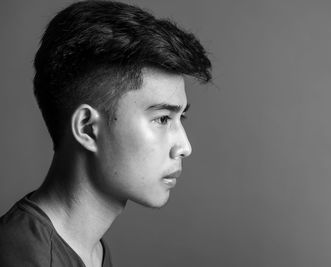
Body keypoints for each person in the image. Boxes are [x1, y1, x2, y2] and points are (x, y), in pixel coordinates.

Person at [0, 1, 212, 266]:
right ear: (87, 128)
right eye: (162, 119)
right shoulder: (23, 256)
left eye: (181, 117)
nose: (184, 146)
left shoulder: (92, 252)